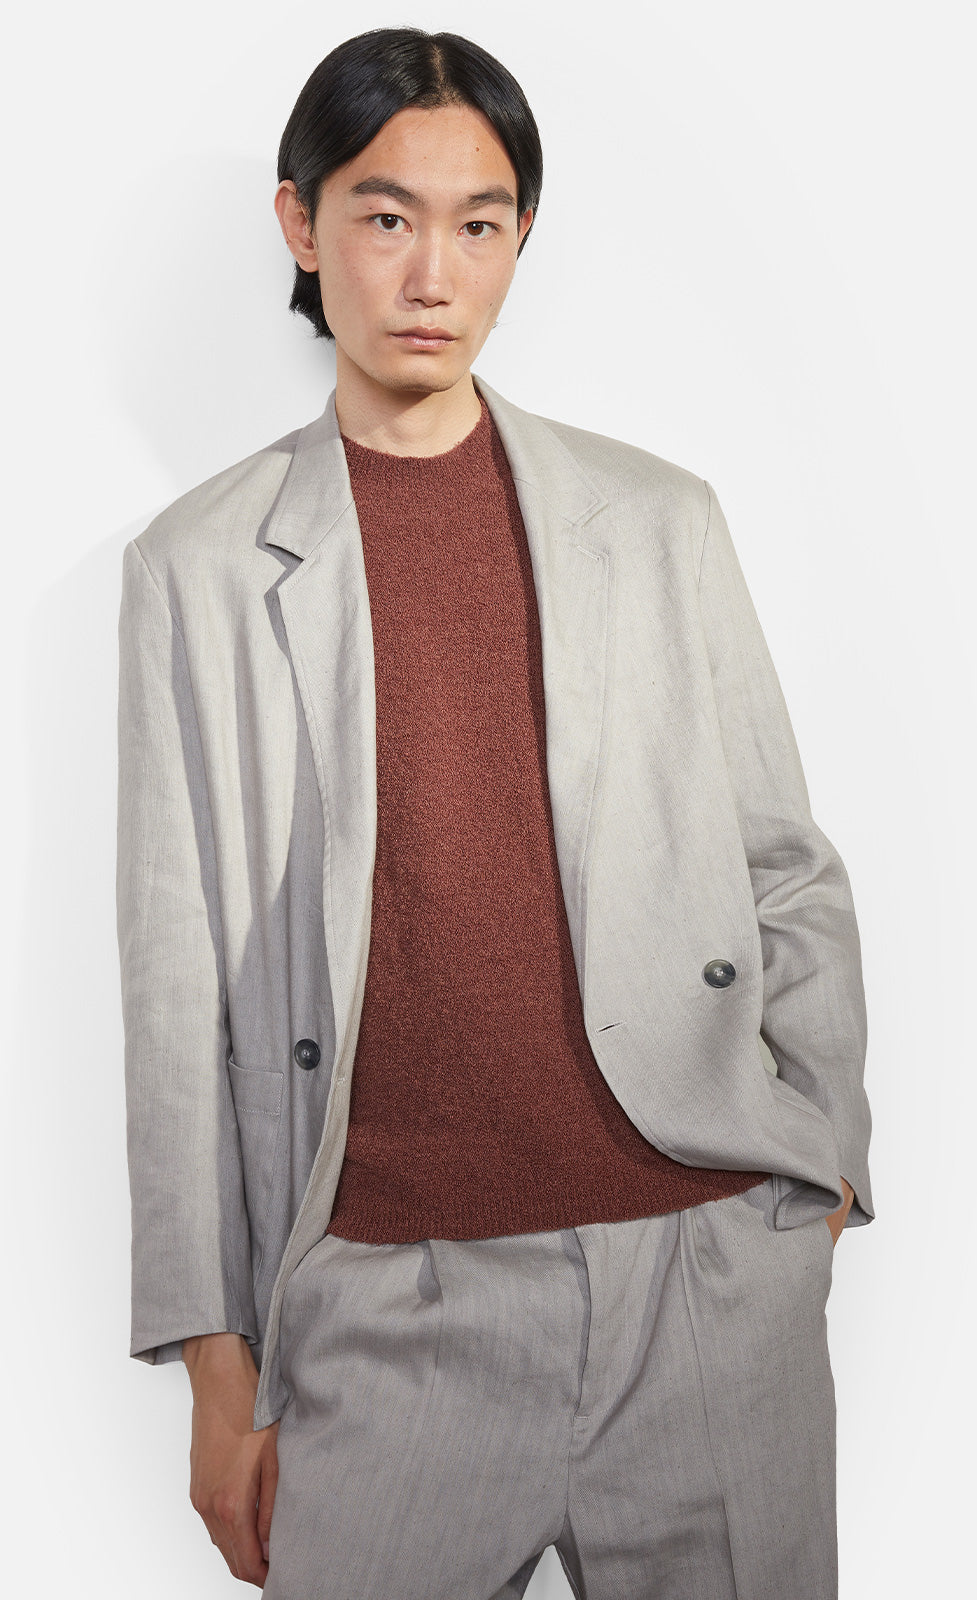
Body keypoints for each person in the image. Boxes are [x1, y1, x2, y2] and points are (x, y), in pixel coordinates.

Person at [116, 25, 873, 1599]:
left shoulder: (654, 520)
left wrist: (821, 1170)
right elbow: (178, 993)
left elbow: (781, 866)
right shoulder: (197, 569)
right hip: (385, 1304)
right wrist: (214, 1372)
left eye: (478, 224)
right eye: (385, 217)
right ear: (299, 223)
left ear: (521, 235)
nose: (430, 275)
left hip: (699, 1278)